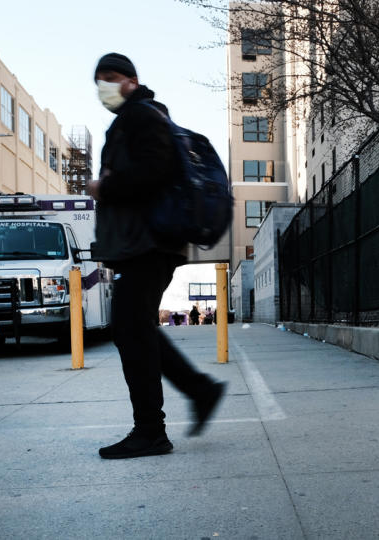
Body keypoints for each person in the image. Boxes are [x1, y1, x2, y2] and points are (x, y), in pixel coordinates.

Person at [87, 53, 225, 459]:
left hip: (150, 243)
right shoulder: (136, 118)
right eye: (99, 80)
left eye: (111, 78)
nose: (105, 87)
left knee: (130, 327)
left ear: (132, 80)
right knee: (135, 327)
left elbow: (154, 172)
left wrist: (105, 187)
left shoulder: (143, 117)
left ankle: (151, 430)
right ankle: (199, 391)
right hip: (143, 245)